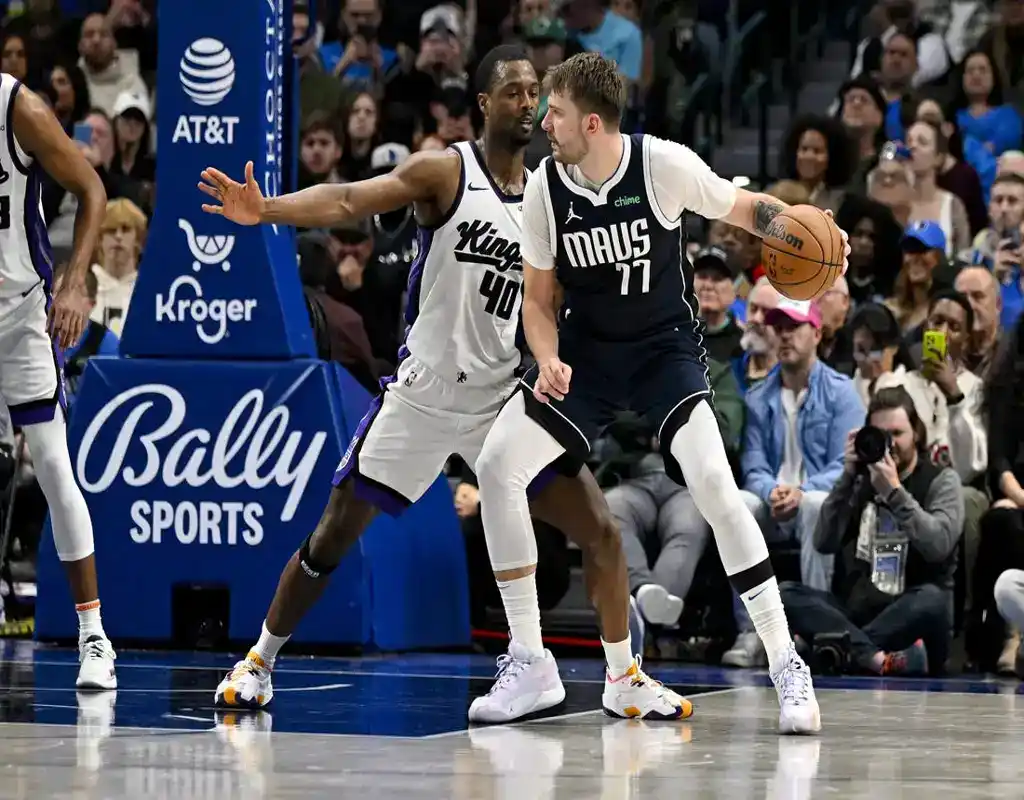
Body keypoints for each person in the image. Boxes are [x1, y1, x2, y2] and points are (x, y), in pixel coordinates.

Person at [199, 45, 684, 723]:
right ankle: (258, 661)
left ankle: (623, 675)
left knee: (598, 528)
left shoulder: (554, 194)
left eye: (536, 94)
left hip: (502, 399)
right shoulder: (446, 171)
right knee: (333, 535)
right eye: (513, 92)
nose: (528, 104)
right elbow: (347, 197)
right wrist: (266, 210)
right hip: (423, 393)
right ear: (483, 105)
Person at [473, 52, 852, 734]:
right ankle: (529, 658)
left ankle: (785, 661)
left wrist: (814, 235)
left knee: (713, 482)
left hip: (662, 353)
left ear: (590, 122)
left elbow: (748, 209)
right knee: (499, 462)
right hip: (584, 354)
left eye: (553, 112)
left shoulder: (661, 166)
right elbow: (536, 299)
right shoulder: (543, 189)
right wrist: (548, 355)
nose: (542, 121)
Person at [0, 74, 113, 687]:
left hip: (19, 316)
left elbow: (92, 187)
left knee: (50, 464)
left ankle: (94, 636)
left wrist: (73, 281)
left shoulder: (19, 108)